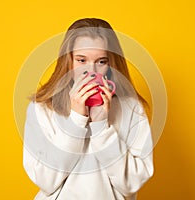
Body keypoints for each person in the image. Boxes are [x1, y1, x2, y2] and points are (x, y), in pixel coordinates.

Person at [23, 18, 154, 200]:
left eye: (101, 61)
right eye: (81, 60)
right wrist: (76, 120)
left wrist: (101, 126)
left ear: (111, 64)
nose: (91, 71)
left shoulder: (131, 108)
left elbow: (131, 183)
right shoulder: (42, 107)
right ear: (68, 61)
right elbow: (45, 181)